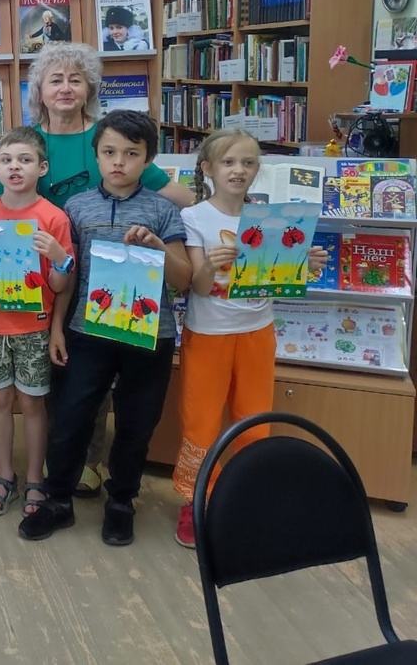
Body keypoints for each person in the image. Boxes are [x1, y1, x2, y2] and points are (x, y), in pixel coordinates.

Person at [24, 42, 192, 495]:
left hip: (101, 274)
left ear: (90, 88)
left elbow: (170, 194)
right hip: (42, 271)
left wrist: (223, 215)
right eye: (55, 79)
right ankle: (57, 463)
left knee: (91, 371)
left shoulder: (111, 138)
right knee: (61, 372)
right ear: (39, 89)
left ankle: (89, 462)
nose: (65, 88)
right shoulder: (29, 140)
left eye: (75, 79)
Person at [171, 128, 327, 548]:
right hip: (209, 335)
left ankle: (246, 496)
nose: (238, 170)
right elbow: (197, 286)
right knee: (200, 422)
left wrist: (305, 263)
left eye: (248, 162)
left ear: (258, 170)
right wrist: (210, 265)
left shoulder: (269, 217)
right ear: (208, 169)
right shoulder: (194, 218)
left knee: (255, 419)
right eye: (228, 162)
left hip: (258, 332)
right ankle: (195, 500)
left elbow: (276, 277)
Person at [0, 127, 74, 518]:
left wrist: (58, 256)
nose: (14, 167)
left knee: (32, 402)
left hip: (34, 327)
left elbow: (59, 284)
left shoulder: (54, 217)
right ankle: (4, 475)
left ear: (42, 168)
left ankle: (35, 477)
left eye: (25, 160)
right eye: (6, 160)